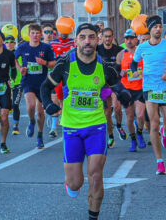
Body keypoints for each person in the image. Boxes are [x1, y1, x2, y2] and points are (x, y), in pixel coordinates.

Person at [41, 23, 131, 220]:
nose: (87, 41)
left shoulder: (105, 68)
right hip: (72, 127)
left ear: (97, 40)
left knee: (96, 175)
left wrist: (124, 96)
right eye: (83, 37)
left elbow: (119, 87)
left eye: (91, 37)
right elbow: (45, 87)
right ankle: (71, 183)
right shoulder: (65, 64)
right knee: (75, 183)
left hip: (97, 126)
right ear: (76, 41)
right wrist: (48, 105)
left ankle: (93, 217)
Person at [130, 15, 166, 175]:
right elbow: (134, 63)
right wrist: (135, 71)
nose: (158, 29)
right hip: (150, 88)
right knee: (153, 124)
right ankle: (159, 162)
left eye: (160, 26)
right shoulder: (142, 47)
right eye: (155, 27)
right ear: (150, 29)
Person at [15, 24, 56, 149]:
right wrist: (20, 68)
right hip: (28, 81)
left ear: (41, 35)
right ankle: (31, 121)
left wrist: (44, 63)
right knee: (31, 105)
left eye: (38, 33)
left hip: (43, 84)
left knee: (40, 112)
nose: (35, 35)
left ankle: (39, 136)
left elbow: (53, 63)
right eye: (33, 33)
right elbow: (14, 59)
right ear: (29, 34)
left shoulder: (46, 47)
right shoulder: (23, 47)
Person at [117, 28, 146, 151]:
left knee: (140, 116)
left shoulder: (142, 52)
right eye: (127, 39)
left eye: (131, 38)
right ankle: (133, 139)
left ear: (136, 39)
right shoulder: (121, 54)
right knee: (129, 117)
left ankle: (139, 132)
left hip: (140, 89)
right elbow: (115, 73)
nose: (129, 41)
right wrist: (121, 73)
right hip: (127, 90)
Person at [97, 27, 124, 148]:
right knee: (107, 113)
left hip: (116, 83)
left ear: (113, 38)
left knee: (117, 107)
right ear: (101, 37)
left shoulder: (119, 50)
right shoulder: (97, 50)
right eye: (105, 36)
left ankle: (119, 126)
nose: (108, 38)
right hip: (103, 85)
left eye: (110, 36)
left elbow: (127, 62)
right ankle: (111, 135)